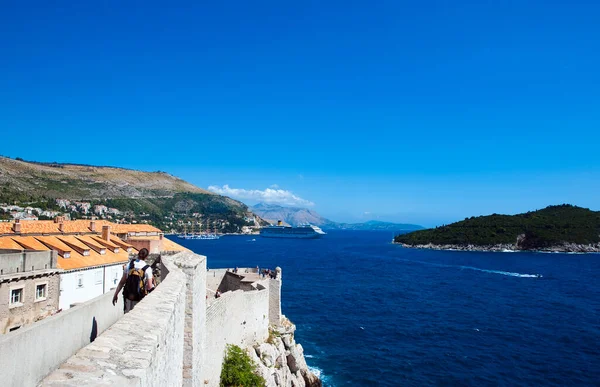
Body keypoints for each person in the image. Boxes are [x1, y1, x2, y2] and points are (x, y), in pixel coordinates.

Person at [112, 248, 154, 313]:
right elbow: (149, 287)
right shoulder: (147, 268)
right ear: (146, 257)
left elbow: (122, 282)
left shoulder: (129, 264)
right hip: (139, 297)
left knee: (126, 314)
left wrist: (116, 294)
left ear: (138, 254)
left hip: (128, 296)